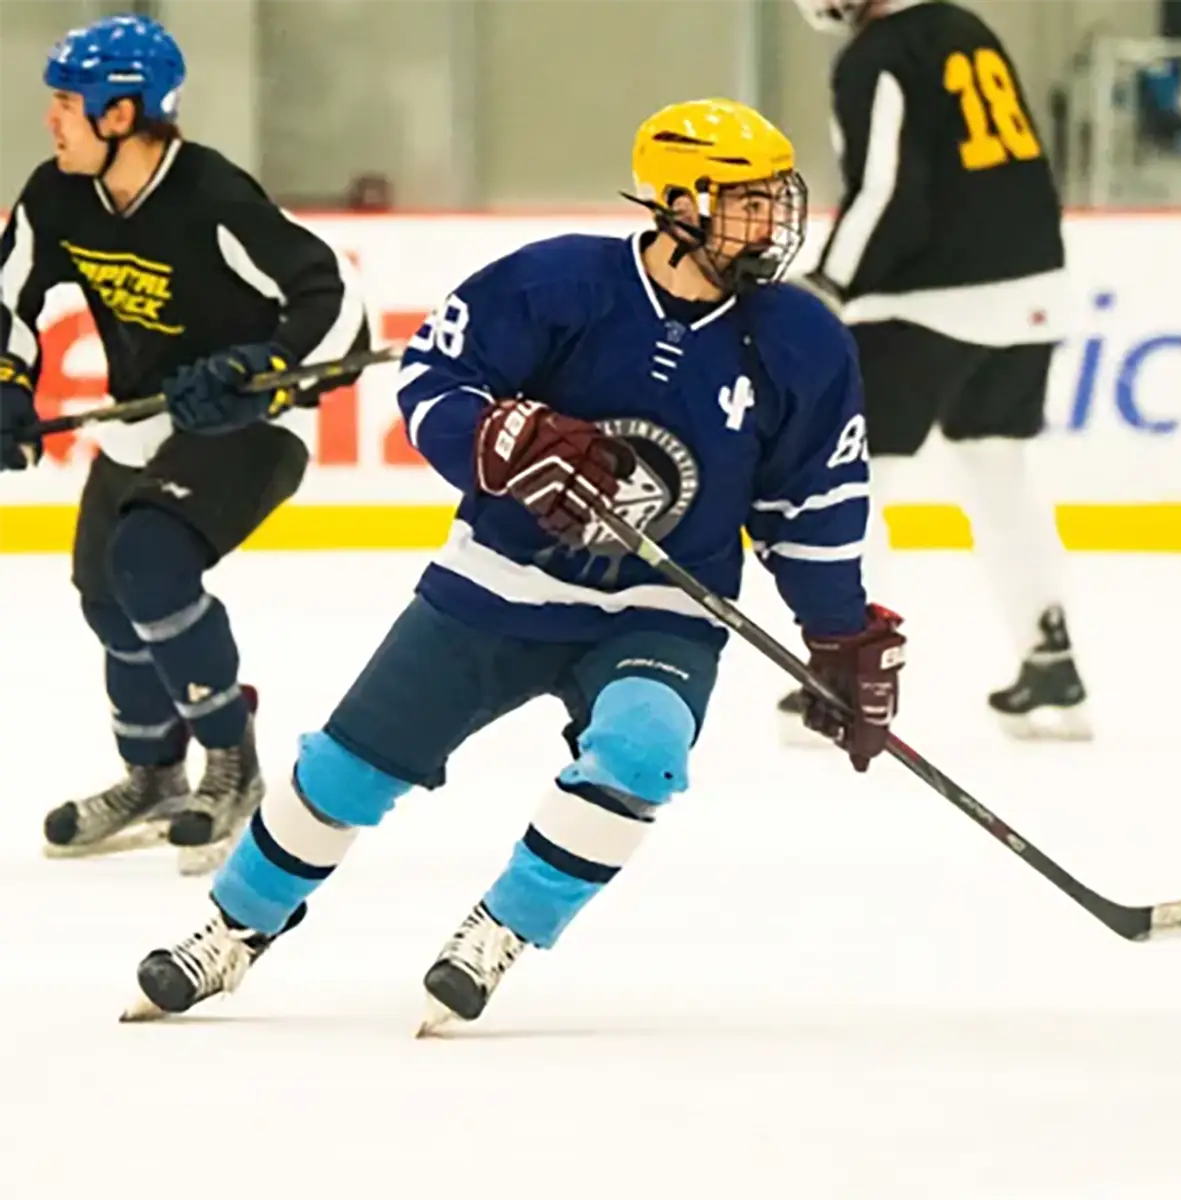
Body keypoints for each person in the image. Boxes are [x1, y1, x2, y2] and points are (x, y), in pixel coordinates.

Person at [121, 97, 906, 1029]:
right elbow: (430, 379)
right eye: (746, 200)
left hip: (662, 608)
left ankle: (500, 929)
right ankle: (232, 931)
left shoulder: (798, 339)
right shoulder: (557, 283)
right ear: (679, 203)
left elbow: (811, 497)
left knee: (643, 752)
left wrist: (837, 627)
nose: (772, 220)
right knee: (342, 775)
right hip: (496, 585)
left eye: (775, 198)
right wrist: (494, 435)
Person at [0, 14, 371, 874]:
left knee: (149, 561)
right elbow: (8, 295)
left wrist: (264, 363)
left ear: (120, 114)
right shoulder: (57, 194)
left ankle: (231, 766)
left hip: (251, 424)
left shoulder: (213, 197)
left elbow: (334, 302)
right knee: (102, 590)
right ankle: (153, 775)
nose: (51, 120)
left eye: (65, 102)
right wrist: (9, 384)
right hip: (141, 416)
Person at [779, 0, 1091, 741]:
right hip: (1030, 289)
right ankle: (1050, 661)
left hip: (927, 301)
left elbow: (884, 188)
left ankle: (845, 676)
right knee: (995, 468)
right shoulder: (965, 28)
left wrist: (830, 284)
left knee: (854, 480)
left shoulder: (876, 53)